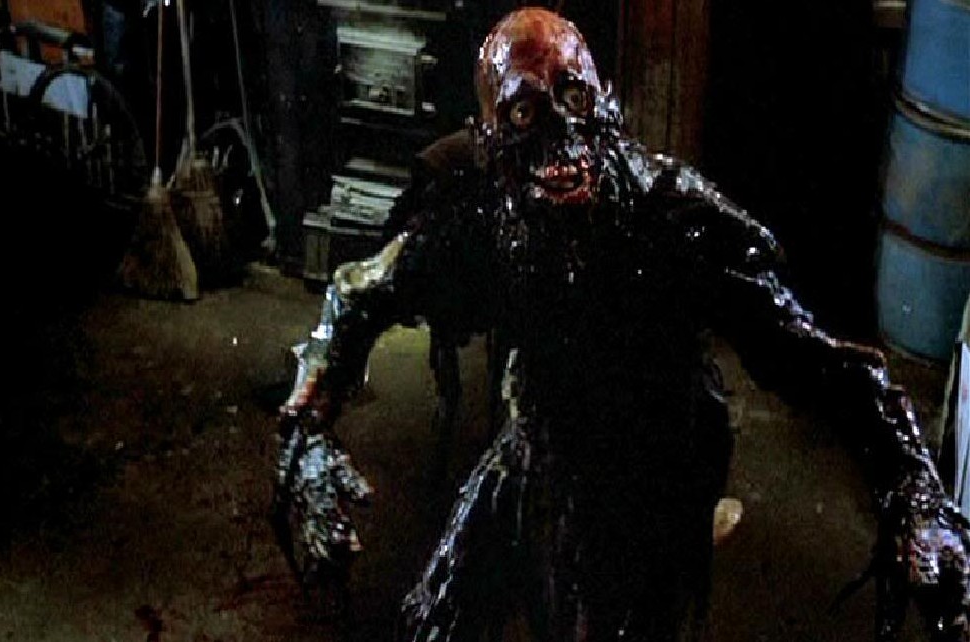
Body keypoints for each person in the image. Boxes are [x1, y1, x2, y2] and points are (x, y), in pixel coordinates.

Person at [272, 8, 968, 640]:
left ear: (607, 106)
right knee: (434, 622)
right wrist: (307, 438)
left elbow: (821, 362)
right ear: (488, 139)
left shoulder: (672, 217)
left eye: (575, 100)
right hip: (545, 432)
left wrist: (915, 491)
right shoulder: (485, 220)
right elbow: (361, 295)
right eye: (525, 113)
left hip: (660, 453)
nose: (562, 137)